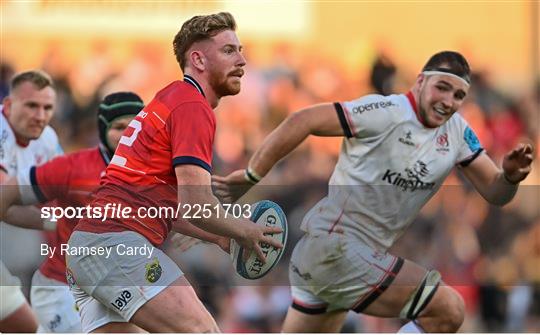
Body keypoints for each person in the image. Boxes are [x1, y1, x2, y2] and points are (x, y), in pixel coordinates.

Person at [213, 51, 534, 333]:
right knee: (448, 309)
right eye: (442, 87)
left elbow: (495, 193)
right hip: (334, 249)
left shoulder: (458, 133)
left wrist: (509, 177)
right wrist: (252, 175)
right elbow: (304, 119)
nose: (449, 100)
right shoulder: (386, 112)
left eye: (459, 95)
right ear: (420, 82)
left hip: (349, 259)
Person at [50, 12, 280, 333]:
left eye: (240, 50)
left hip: (92, 248)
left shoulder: (170, 99)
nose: (242, 59)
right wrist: (244, 231)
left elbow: (162, 204)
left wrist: (219, 236)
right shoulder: (191, 106)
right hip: (116, 247)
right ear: (197, 59)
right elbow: (196, 204)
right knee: (203, 331)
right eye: (229, 50)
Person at [0, 91, 232, 332]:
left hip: (117, 273)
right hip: (61, 286)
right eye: (118, 127)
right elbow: (9, 194)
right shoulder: (73, 167)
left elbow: (170, 214)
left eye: (132, 127)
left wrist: (220, 236)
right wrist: (52, 222)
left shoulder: (152, 172)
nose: (126, 135)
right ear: (102, 131)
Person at [0, 69, 62, 332]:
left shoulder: (47, 138)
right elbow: (3, 204)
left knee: (25, 326)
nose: (40, 116)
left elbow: (64, 196)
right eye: (32, 106)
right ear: (9, 104)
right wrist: (60, 224)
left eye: (47, 108)